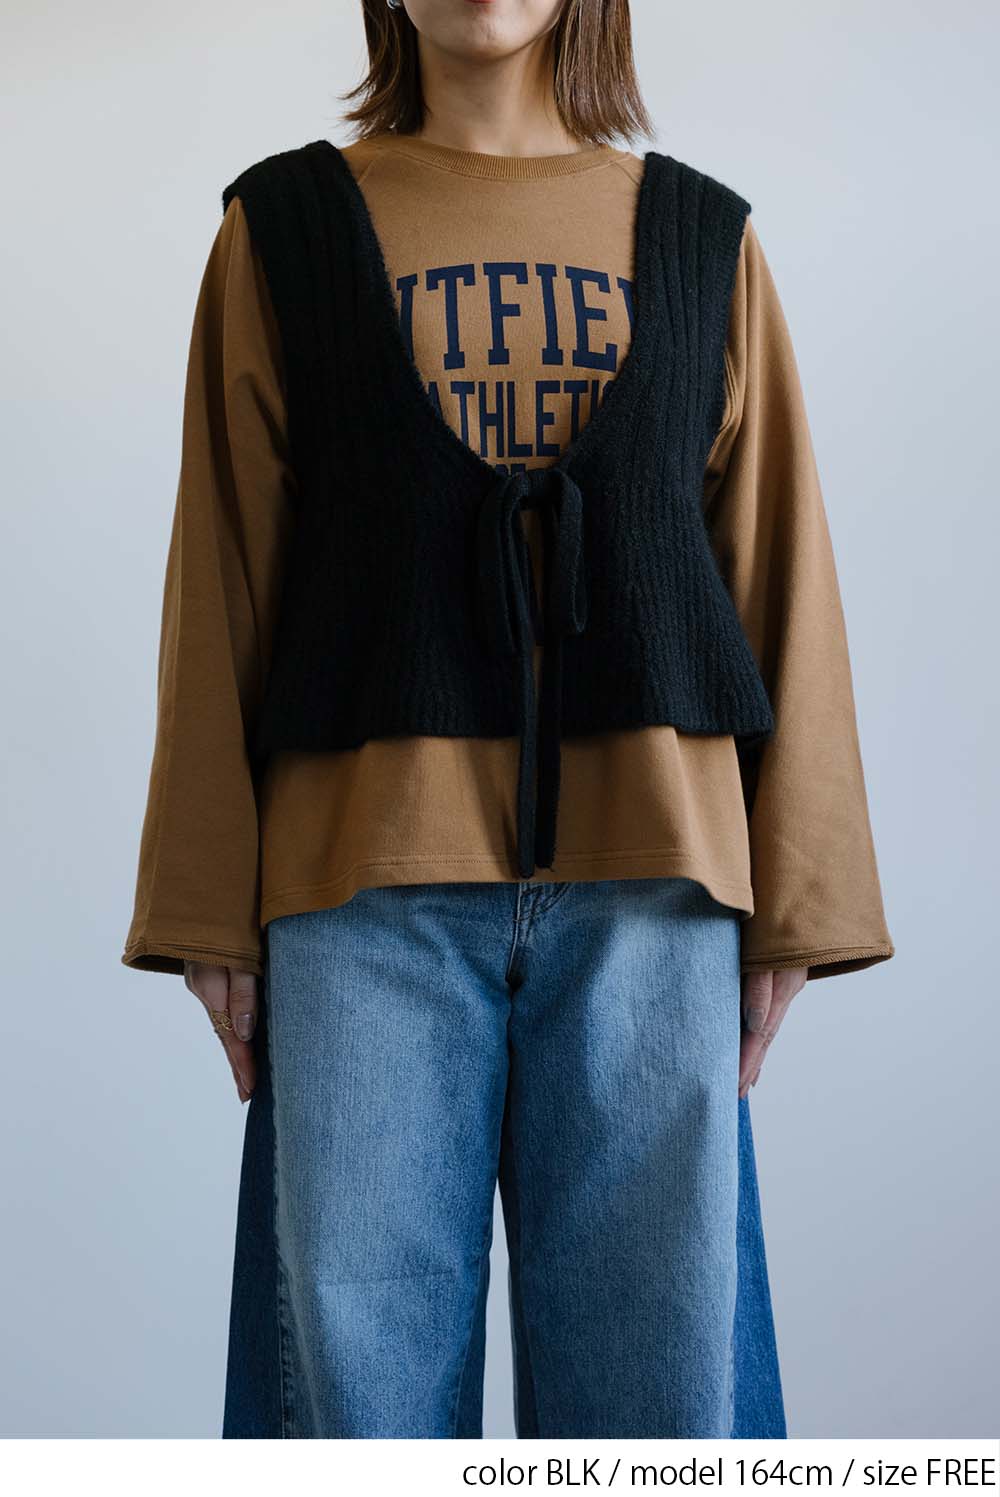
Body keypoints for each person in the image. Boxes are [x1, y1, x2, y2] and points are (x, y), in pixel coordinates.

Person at [122, 0, 893, 1439]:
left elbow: (779, 567)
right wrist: (204, 902)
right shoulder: (279, 231)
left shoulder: (702, 236)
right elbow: (220, 576)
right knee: (356, 1414)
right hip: (360, 896)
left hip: (655, 892)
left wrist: (804, 898)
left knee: (661, 1413)